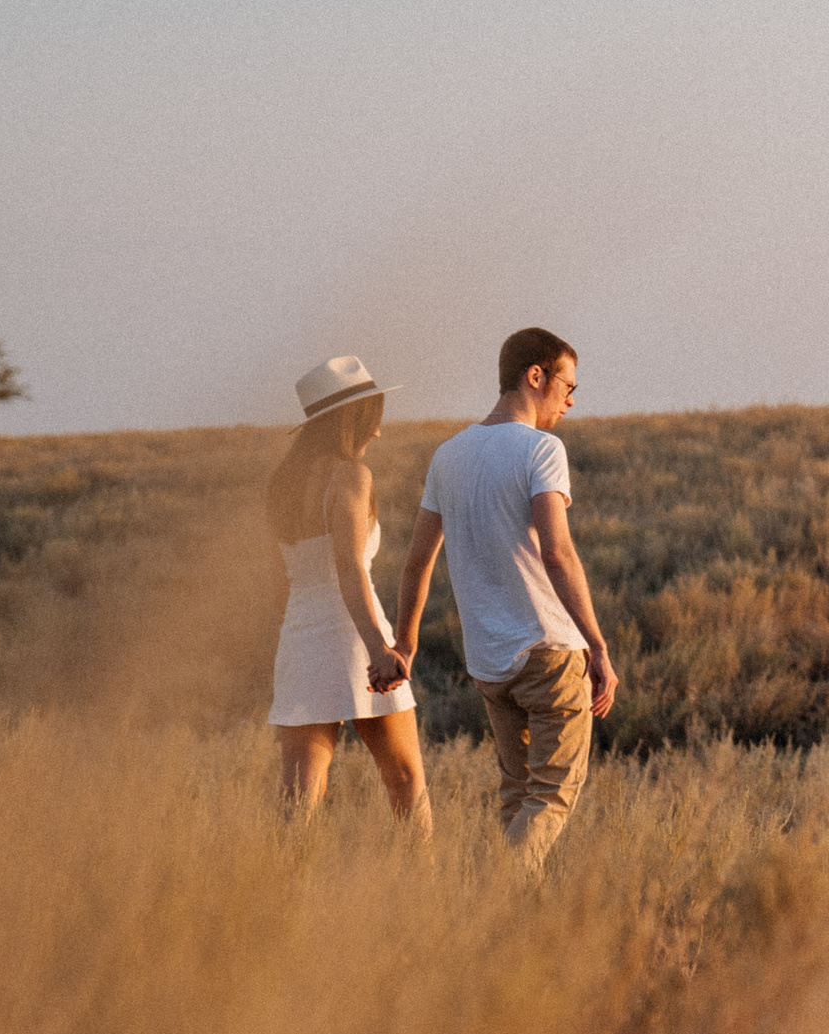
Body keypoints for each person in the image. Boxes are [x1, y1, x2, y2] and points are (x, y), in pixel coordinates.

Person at [393, 327, 618, 873]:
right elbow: (558, 553)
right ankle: (492, 891)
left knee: (518, 796)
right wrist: (598, 646)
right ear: (534, 376)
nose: (571, 399)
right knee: (551, 794)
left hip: (490, 664)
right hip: (549, 650)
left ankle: (504, 931)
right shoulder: (542, 449)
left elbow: (417, 563)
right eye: (567, 384)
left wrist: (405, 644)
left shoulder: (448, 456)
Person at [265, 355, 432, 839]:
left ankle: (282, 894)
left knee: (298, 798)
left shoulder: (282, 484)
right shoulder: (351, 477)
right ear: (350, 419)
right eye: (371, 418)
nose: (377, 432)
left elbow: (283, 580)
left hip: (299, 636)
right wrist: (379, 648)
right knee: (406, 781)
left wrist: (295, 641)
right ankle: (427, 890)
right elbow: (350, 568)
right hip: (353, 634)